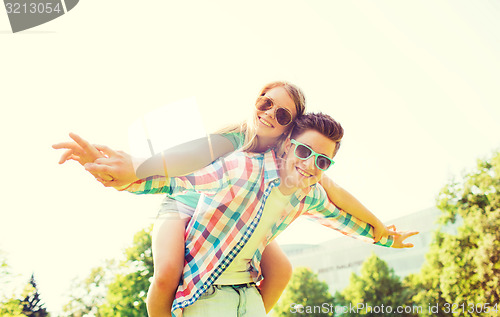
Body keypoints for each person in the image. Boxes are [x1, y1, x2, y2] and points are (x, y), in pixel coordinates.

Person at [53, 82, 392, 316]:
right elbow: (179, 166)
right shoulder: (234, 138)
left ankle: (242, 304)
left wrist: (377, 227)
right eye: (265, 102)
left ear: (289, 131)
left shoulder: (294, 164)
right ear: (256, 101)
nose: (270, 114)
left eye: (282, 115)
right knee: (169, 271)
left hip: (237, 216)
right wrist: (129, 167)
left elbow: (331, 193)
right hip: (187, 198)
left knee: (282, 269)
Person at [117, 112, 418, 317]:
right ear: (287, 145)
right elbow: (178, 178)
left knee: (282, 269)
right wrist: (127, 173)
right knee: (165, 274)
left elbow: (341, 218)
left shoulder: (307, 195)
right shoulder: (242, 165)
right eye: (304, 152)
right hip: (205, 290)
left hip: (247, 296)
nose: (310, 165)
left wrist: (384, 237)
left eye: (322, 162)